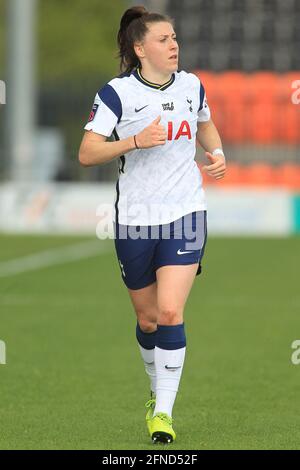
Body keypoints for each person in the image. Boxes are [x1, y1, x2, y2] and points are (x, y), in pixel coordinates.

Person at [79, 5, 226, 444]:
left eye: (175, 38)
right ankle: (155, 388)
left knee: (169, 312)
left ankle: (163, 413)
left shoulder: (192, 85)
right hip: (136, 220)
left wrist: (217, 156)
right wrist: (136, 140)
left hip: (186, 214)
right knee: (147, 321)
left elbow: (207, 126)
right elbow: (88, 153)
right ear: (139, 48)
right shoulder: (116, 94)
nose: (174, 45)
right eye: (164, 40)